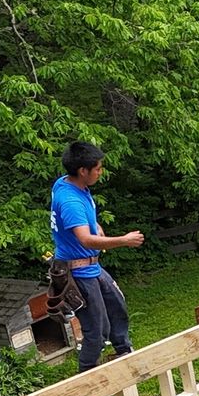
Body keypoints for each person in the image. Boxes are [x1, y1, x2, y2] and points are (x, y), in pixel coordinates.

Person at [50, 140, 143, 372]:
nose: (100, 172)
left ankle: (123, 352)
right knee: (96, 330)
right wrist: (124, 240)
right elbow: (86, 240)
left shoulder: (66, 184)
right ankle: (87, 376)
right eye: (98, 169)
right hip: (79, 271)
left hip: (92, 267)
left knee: (116, 305)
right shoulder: (69, 200)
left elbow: (78, 225)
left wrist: (95, 224)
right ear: (83, 171)